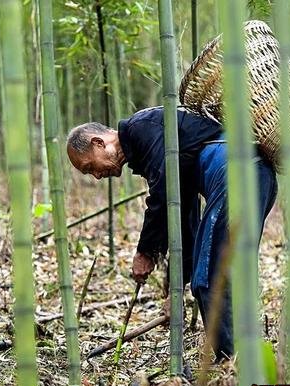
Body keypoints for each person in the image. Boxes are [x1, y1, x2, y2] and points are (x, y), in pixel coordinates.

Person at [66, 106, 278, 361]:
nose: (97, 176)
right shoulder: (148, 147)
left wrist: (145, 251)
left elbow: (163, 193)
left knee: (211, 280)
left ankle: (236, 363)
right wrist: (175, 288)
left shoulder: (141, 128)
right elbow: (184, 217)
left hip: (237, 176)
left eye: (90, 167)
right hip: (255, 176)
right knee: (221, 274)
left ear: (99, 143)